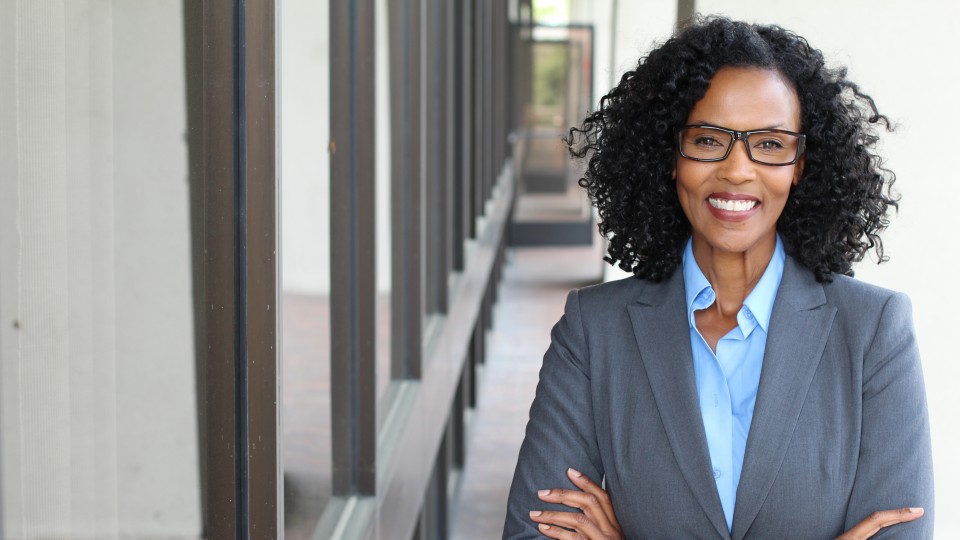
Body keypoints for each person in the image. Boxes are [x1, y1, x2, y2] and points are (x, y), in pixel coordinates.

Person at [503, 17, 934, 540]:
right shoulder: (593, 331)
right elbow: (532, 533)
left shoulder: (873, 332)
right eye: (708, 140)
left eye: (770, 144)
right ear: (670, 154)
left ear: (800, 163)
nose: (737, 171)